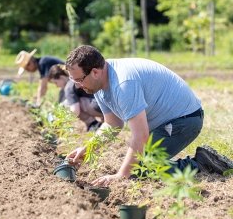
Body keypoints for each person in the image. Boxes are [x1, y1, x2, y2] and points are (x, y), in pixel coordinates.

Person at [65, 45, 233, 186]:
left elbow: (141, 135)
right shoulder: (99, 85)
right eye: (74, 82)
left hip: (184, 120)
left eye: (79, 80)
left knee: (138, 170)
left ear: (95, 72)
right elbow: (112, 124)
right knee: (135, 165)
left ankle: (201, 163)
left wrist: (121, 175)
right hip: (167, 123)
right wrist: (87, 149)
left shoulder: (123, 83)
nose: (78, 86)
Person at [47, 64, 103, 132]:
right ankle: (103, 120)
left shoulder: (68, 87)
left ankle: (93, 124)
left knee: (67, 104)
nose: (56, 86)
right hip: (106, 104)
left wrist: (61, 121)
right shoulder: (74, 80)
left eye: (56, 82)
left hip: (100, 107)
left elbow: (75, 111)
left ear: (61, 77)